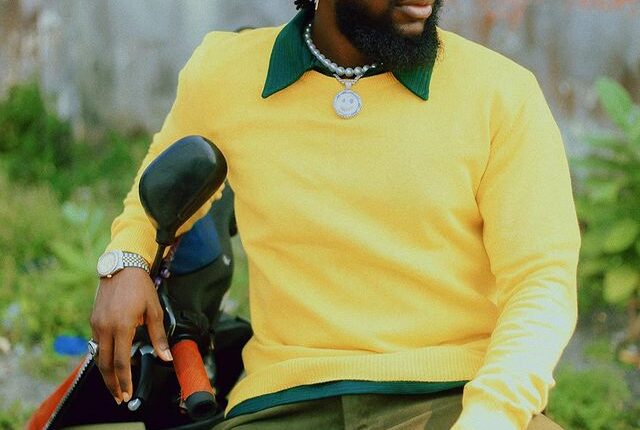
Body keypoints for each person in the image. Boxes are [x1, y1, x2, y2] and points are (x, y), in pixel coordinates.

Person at [89, 0, 580, 429]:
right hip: (281, 401)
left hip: (454, 393)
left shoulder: (501, 93)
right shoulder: (225, 71)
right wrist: (127, 261)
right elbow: (154, 194)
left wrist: (494, 413)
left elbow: (541, 280)